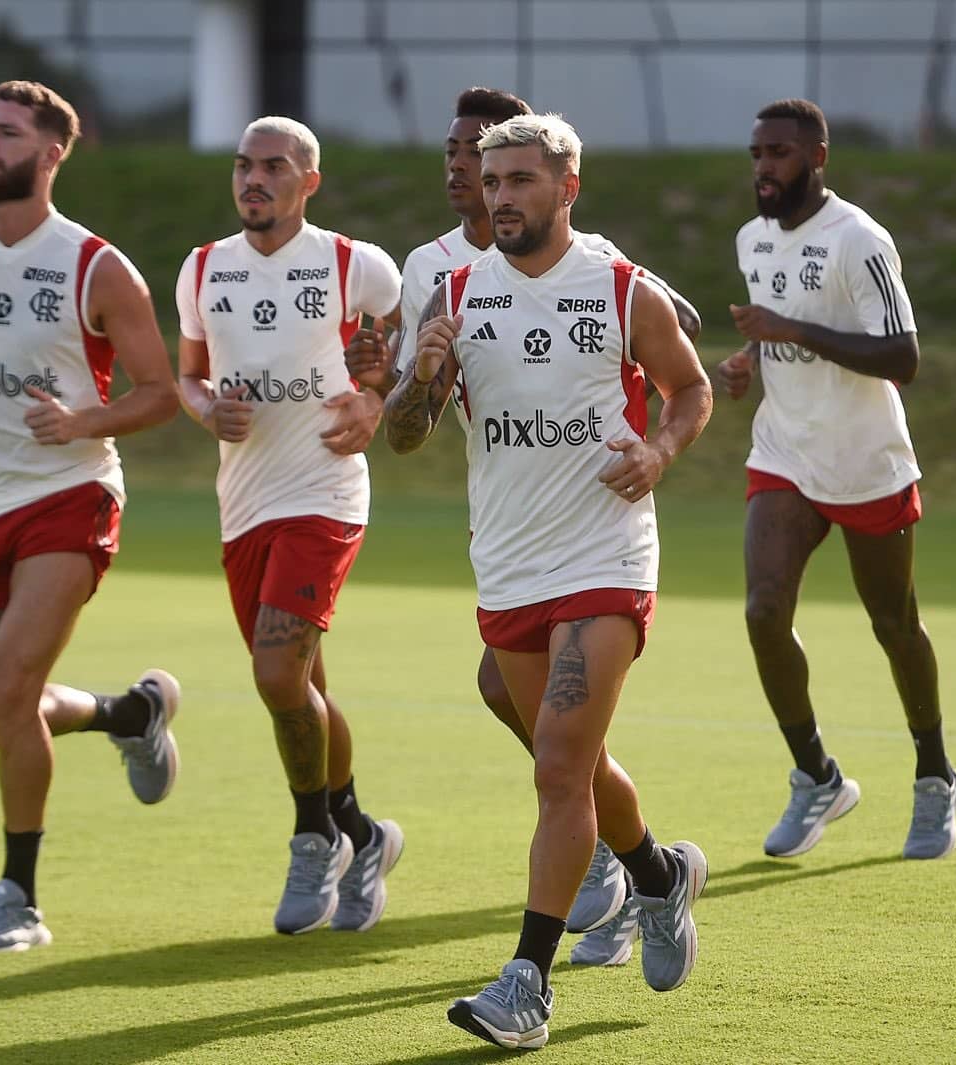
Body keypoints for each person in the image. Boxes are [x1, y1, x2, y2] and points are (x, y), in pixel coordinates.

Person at [344, 86, 703, 967]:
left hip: (606, 552)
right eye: (491, 180)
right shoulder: (455, 292)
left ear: (567, 187)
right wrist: (421, 377)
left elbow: (689, 387)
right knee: (566, 753)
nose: (498, 195)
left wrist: (657, 452)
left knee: (557, 767)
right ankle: (657, 875)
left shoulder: (618, 285)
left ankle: (525, 978)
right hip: (508, 559)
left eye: (519, 180)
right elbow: (405, 435)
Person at [0, 80, 182, 952]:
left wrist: (83, 421)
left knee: (12, 686)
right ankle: (128, 714)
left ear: (53, 153)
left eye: (8, 133)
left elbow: (161, 393)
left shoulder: (97, 266)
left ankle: (17, 897)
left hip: (71, 494)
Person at [173, 116, 404, 935]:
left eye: (273, 166)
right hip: (244, 501)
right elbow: (189, 374)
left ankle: (315, 838)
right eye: (243, 165)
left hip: (325, 492)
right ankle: (364, 836)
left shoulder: (354, 264)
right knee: (302, 686)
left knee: (277, 676)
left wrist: (374, 399)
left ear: (310, 181)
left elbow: (411, 344)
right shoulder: (203, 267)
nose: (253, 178)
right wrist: (207, 408)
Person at [716, 99, 956, 862]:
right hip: (785, 453)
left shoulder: (860, 240)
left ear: (818, 156)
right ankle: (816, 773)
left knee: (894, 623)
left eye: (780, 153)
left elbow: (903, 357)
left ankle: (935, 774)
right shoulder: (753, 239)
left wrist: (789, 332)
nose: (764, 168)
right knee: (763, 612)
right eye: (757, 154)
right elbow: (776, 329)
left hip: (864, 460)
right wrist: (748, 362)